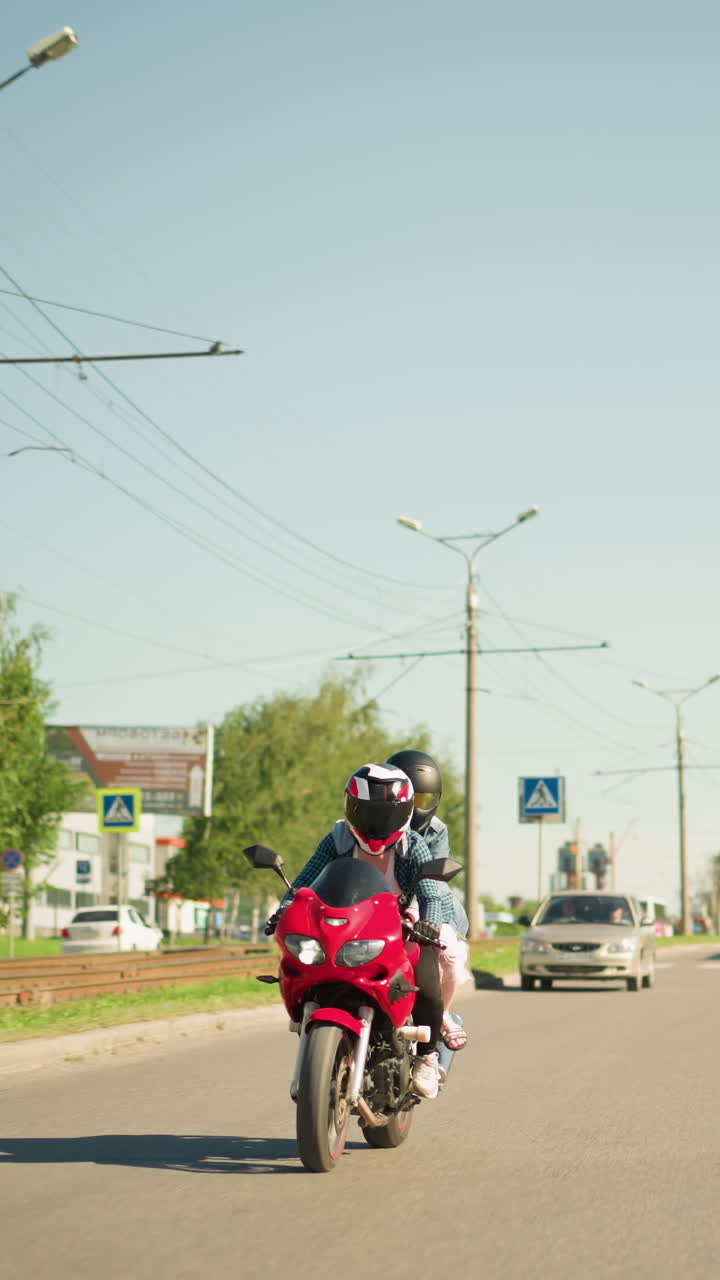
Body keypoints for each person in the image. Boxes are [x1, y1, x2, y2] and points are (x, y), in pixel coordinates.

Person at [268, 762, 460, 1100]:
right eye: (365, 811)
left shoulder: (413, 845)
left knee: (427, 982)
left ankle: (428, 1055)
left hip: (402, 925)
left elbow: (430, 890)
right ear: (350, 806)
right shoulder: (339, 838)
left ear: (404, 812)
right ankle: (320, 1046)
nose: (374, 824)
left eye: (384, 815)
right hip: (350, 924)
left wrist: (429, 923)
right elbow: (304, 881)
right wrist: (284, 909)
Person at [386, 749, 471, 1054]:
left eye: (424, 800)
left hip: (425, 901)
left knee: (448, 957)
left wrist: (429, 922)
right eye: (411, 798)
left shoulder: (436, 831)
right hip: (380, 904)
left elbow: (433, 882)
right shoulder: (363, 824)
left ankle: (442, 1014)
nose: (416, 808)